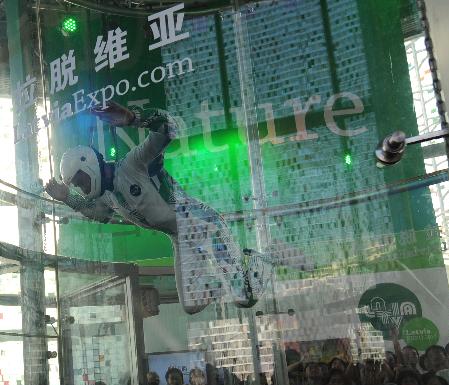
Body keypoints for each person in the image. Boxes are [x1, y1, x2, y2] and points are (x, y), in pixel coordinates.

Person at [44, 102, 279, 314]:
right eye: (76, 186)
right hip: (180, 237)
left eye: (79, 181)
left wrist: (133, 118)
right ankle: (230, 276)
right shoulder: (107, 196)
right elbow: (99, 214)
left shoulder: (133, 164)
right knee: (192, 304)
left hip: (203, 225)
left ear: (89, 165)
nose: (81, 188)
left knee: (244, 298)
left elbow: (169, 128)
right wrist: (67, 198)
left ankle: (263, 260)